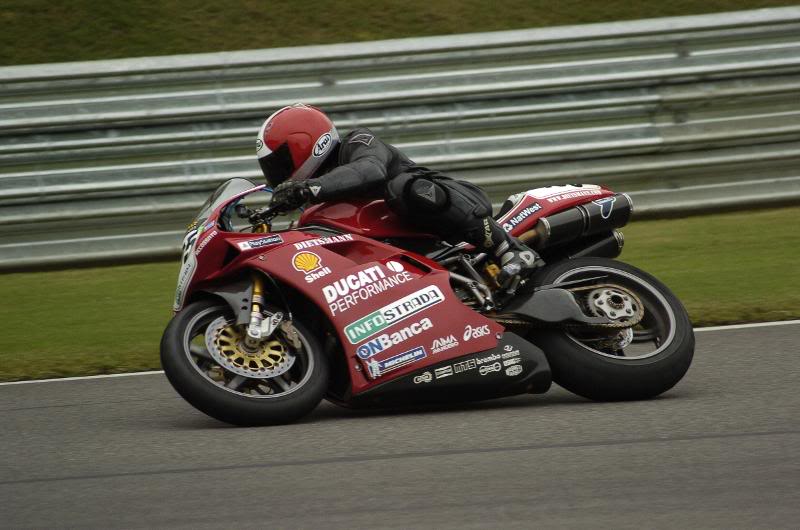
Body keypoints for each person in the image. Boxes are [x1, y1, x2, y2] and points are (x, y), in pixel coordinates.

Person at [256, 103, 542, 293]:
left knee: (404, 188)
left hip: (445, 204)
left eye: (280, 163)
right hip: (399, 248)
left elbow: (370, 171)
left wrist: (309, 187)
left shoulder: (357, 143)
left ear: (310, 144)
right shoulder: (317, 203)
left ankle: (510, 248)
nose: (278, 175)